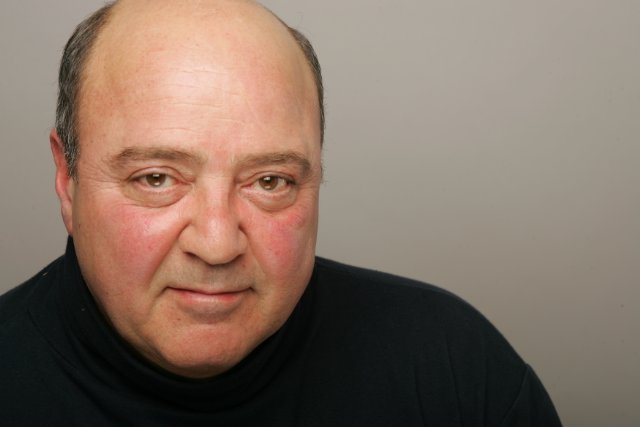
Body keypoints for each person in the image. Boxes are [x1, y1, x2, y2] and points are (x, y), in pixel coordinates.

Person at [0, 0, 562, 425]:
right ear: (67, 179)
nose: (217, 245)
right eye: (156, 178)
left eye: (269, 181)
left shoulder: (454, 367)